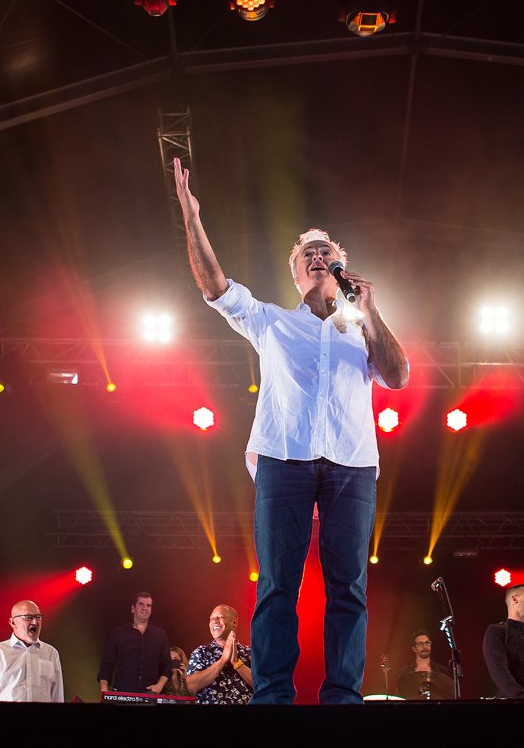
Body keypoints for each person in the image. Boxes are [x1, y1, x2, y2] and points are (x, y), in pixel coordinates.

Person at [173, 158, 409, 705]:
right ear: (297, 274)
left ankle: (342, 697)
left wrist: (371, 312)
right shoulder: (271, 321)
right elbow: (214, 286)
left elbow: (398, 377)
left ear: (341, 268)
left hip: (351, 463)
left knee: (348, 586)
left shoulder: (363, 333)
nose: (319, 256)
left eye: (328, 251)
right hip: (284, 458)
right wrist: (192, 217)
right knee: (278, 583)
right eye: (309, 253)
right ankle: (273, 698)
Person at [0, 600, 64, 702]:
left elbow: (57, 696)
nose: (35, 622)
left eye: (38, 617)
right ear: (13, 623)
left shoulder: (51, 653)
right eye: (28, 617)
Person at [97, 591, 172, 696]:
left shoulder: (160, 634)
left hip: (150, 693)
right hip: (122, 692)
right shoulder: (118, 633)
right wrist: (104, 690)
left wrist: (159, 686)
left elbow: (167, 665)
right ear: (133, 609)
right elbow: (106, 664)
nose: (145, 608)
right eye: (141, 604)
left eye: (148, 605)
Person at [186, 604, 253, 705]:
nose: (215, 621)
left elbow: (261, 685)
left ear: (234, 622)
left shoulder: (249, 652)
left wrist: (237, 664)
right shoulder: (201, 652)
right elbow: (190, 686)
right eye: (211, 618)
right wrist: (222, 660)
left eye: (220, 617)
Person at [396, 629, 454, 700]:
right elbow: (400, 696)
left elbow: (448, 695)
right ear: (414, 649)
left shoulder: (442, 670)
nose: (425, 646)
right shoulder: (405, 672)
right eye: (421, 644)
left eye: (427, 643)